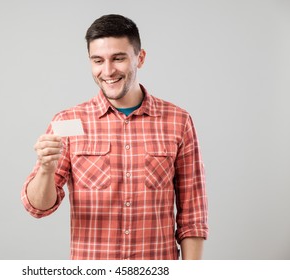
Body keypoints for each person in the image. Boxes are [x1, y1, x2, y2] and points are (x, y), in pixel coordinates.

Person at [21, 14, 208, 260]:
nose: (107, 71)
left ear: (139, 58)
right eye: (98, 60)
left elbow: (193, 214)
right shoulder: (68, 122)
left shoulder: (178, 121)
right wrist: (46, 169)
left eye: (118, 58)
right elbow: (38, 208)